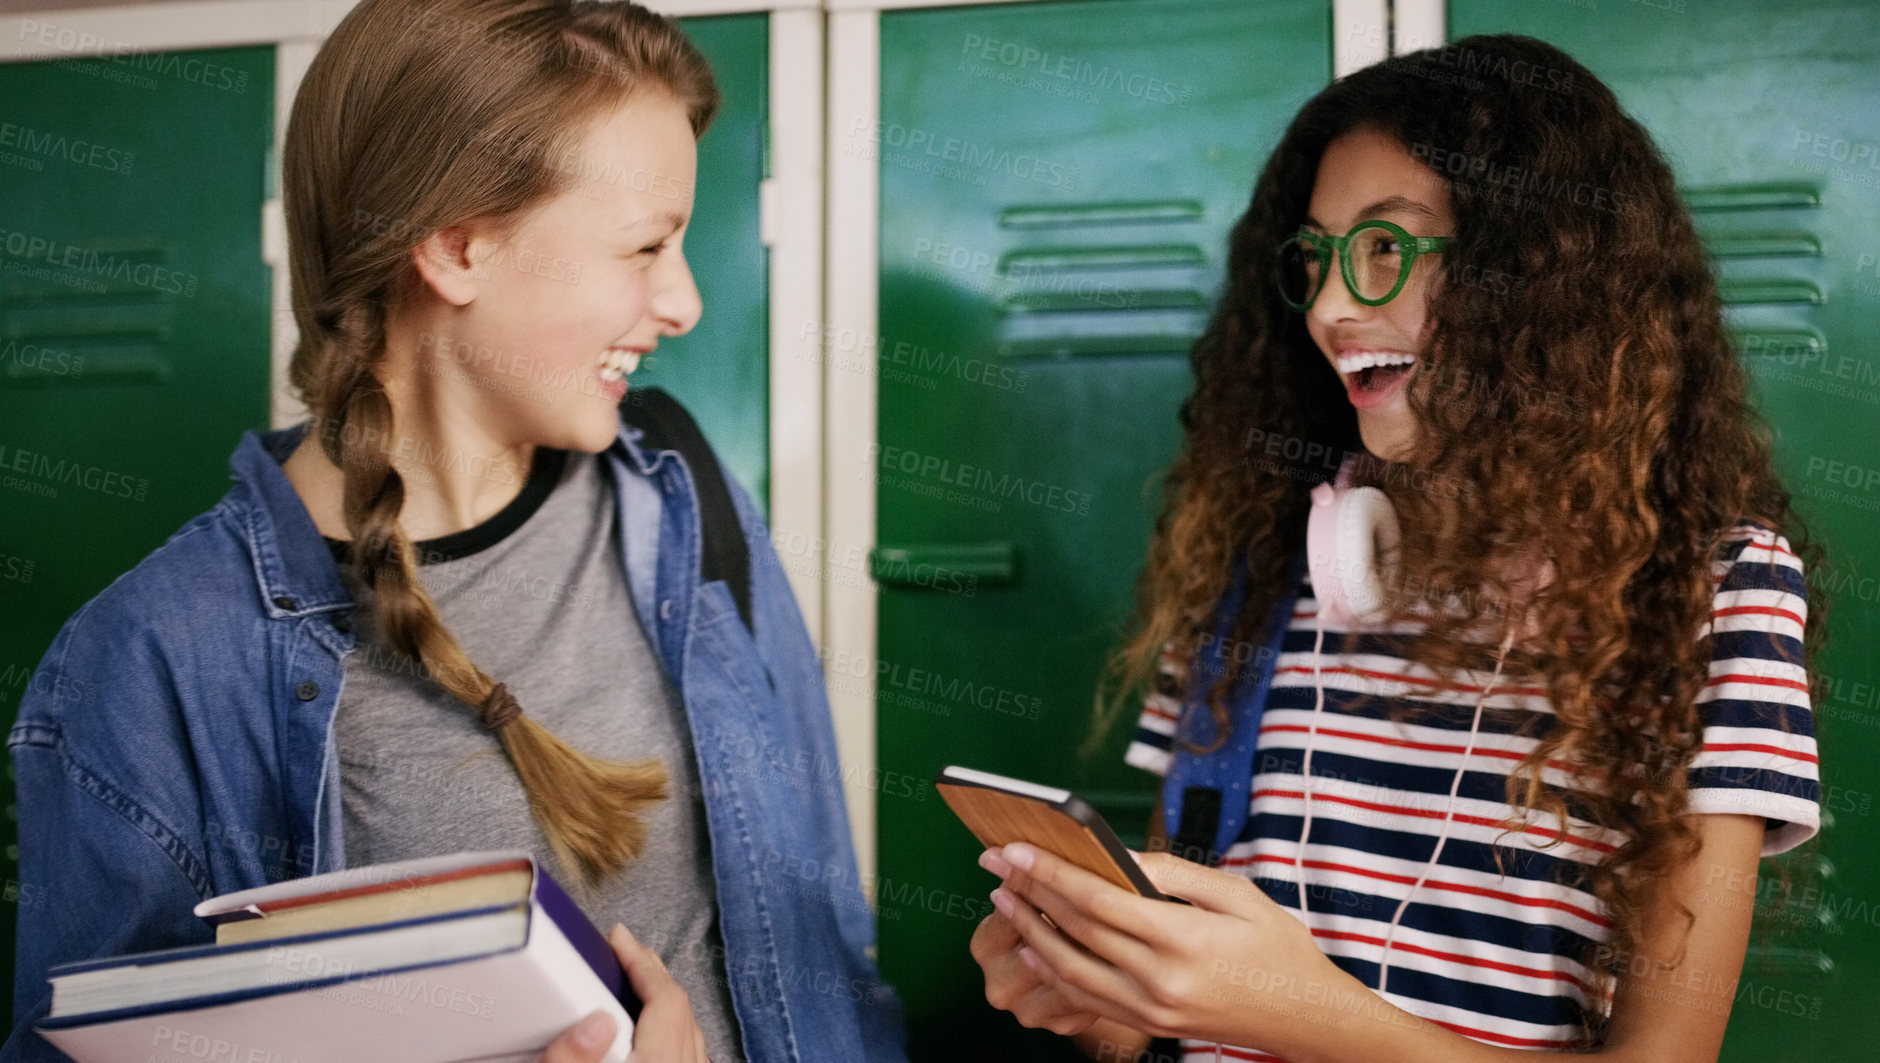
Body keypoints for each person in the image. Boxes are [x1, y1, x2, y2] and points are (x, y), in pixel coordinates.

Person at [3, 2, 905, 1061]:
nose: (685, 299)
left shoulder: (683, 493)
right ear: (459, 245)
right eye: (647, 244)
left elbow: (825, 944)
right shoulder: (149, 662)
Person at [969, 33, 1822, 1063]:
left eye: (1386, 247)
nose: (1331, 308)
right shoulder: (1257, 574)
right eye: (1318, 256)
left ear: (1535, 276)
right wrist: (1091, 991)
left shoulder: (1711, 592)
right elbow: (1164, 1010)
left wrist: (1304, 1014)